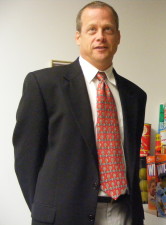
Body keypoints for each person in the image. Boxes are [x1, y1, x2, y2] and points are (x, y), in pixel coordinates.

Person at [13, 1, 147, 225]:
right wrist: (44, 210)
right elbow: (26, 159)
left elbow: (131, 160)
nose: (100, 36)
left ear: (118, 37)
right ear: (78, 37)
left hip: (125, 214)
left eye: (108, 29)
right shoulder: (43, 84)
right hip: (64, 217)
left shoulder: (136, 95)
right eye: (92, 29)